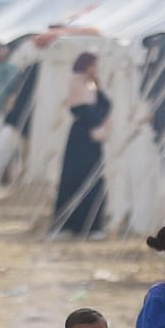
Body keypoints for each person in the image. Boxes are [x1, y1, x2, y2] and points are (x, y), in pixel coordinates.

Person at [54, 52, 109, 237]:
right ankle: (70, 224)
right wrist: (98, 116)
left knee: (92, 178)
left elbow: (105, 104)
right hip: (81, 136)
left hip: (91, 138)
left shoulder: (91, 83)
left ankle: (92, 224)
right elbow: (82, 110)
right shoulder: (76, 82)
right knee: (74, 178)